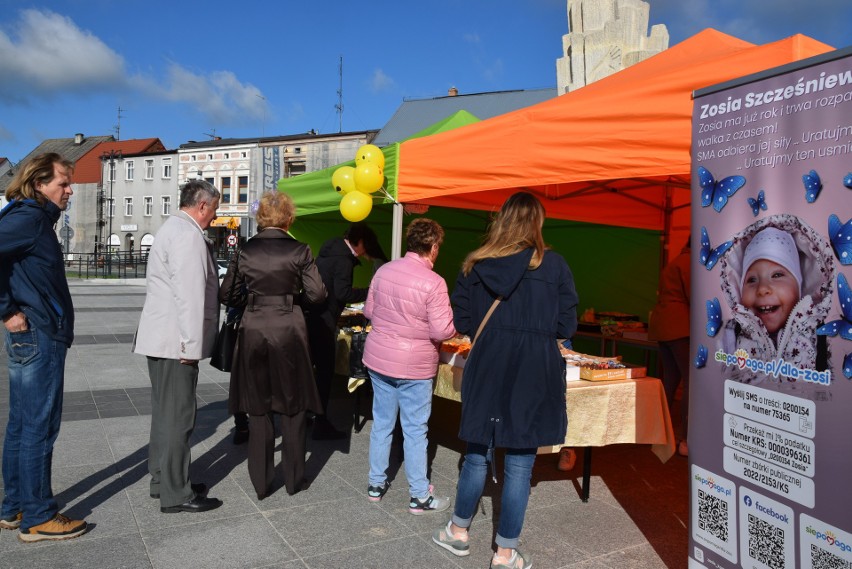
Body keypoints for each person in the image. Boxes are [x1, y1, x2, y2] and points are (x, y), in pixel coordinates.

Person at [432, 192, 579, 569]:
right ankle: (505, 552)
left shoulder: (474, 265)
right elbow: (566, 326)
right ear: (537, 224)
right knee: (520, 462)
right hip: (535, 368)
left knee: (477, 452)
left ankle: (458, 531)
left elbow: (463, 323)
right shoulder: (556, 265)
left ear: (501, 222)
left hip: (488, 363)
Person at [0, 153, 88, 542]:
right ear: (39, 183)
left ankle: (14, 506)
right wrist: (7, 311)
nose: (70, 190)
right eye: (63, 183)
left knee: (22, 424)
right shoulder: (30, 217)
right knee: (39, 426)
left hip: (31, 331)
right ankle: (37, 516)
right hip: (38, 333)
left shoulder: (30, 217)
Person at [220, 191, 327, 498]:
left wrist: (252, 301)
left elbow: (228, 294)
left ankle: (261, 483)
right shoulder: (300, 250)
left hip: (254, 325)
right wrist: (295, 302)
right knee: (293, 405)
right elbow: (318, 295)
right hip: (289, 326)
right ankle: (294, 480)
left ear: (261, 218)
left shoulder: (245, 250)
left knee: (258, 406)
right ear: (289, 217)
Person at [133, 179, 223, 514]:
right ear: (202, 205)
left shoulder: (172, 228)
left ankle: (164, 479)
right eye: (214, 209)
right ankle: (176, 491)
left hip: (163, 339)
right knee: (179, 418)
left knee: (164, 415)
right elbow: (190, 297)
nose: (215, 216)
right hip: (175, 342)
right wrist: (190, 347)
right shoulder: (187, 236)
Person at [362, 218, 456, 514]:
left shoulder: (384, 271)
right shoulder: (435, 282)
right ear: (433, 246)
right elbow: (442, 331)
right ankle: (418, 495)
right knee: (415, 429)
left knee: (383, 423)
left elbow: (369, 311)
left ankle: (376, 484)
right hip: (415, 365)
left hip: (379, 358)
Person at [719, 214, 835, 399]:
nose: (763, 288)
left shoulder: (824, 339)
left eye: (777, 275)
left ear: (799, 289)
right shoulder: (731, 337)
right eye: (751, 280)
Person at [304, 222, 378, 439]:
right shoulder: (344, 259)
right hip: (324, 320)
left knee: (312, 369)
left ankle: (309, 414)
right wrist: (370, 291)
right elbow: (343, 293)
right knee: (325, 372)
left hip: (311, 316)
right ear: (360, 242)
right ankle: (321, 421)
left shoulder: (329, 250)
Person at [648, 237, 691, 457]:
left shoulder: (675, 262)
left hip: (663, 325)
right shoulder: (691, 264)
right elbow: (695, 297)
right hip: (680, 327)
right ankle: (686, 439)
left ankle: (657, 432)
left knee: (670, 381)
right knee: (691, 383)